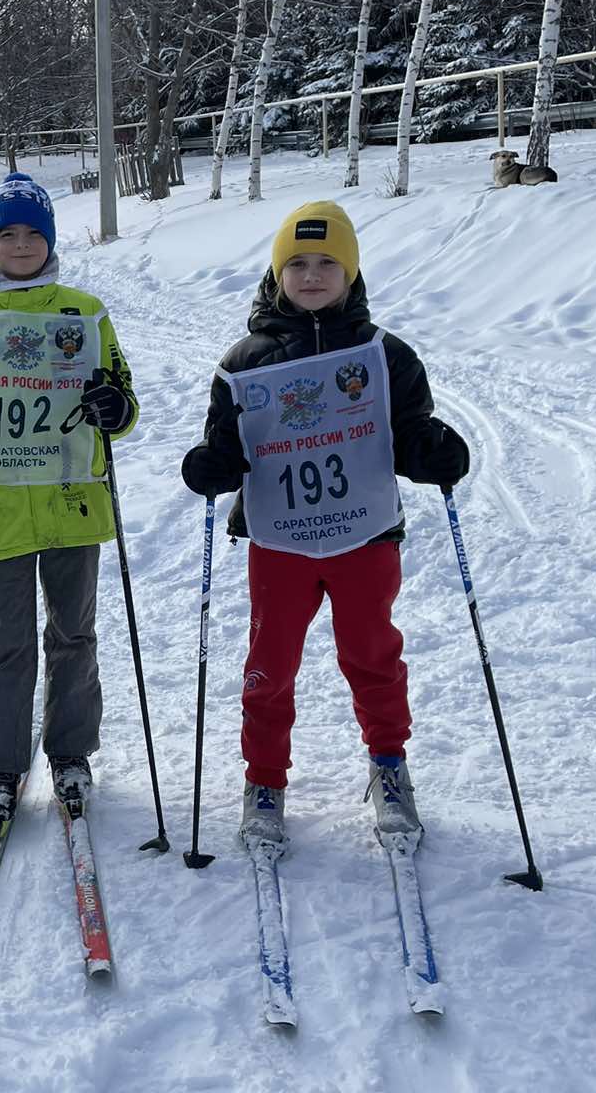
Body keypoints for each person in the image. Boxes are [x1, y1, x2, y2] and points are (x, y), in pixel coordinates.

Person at [180, 201, 471, 852]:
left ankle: (389, 766)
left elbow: (410, 434)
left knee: (372, 654)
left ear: (351, 271)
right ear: (278, 272)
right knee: (270, 663)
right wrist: (212, 466)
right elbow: (227, 446)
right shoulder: (244, 363)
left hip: (363, 535)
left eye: (327, 264)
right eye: (298, 264)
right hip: (280, 542)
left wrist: (436, 454)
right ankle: (264, 782)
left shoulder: (383, 355)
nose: (312, 276)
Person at [0, 173, 139, 826]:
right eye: (6, 234)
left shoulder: (86, 313)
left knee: (73, 633)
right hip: (2, 505)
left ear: (49, 240)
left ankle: (71, 754)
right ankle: (1, 764)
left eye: (32, 233)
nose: (19, 244)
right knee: (5, 641)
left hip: (73, 502)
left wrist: (113, 405)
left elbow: (122, 401)